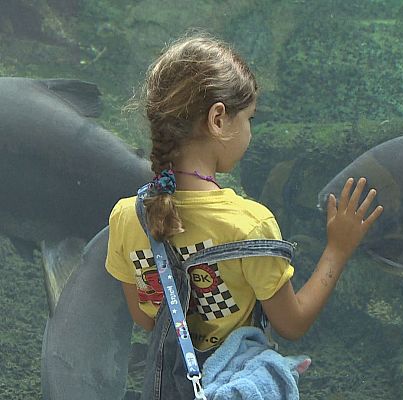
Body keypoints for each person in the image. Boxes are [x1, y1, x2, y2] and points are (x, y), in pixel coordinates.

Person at [105, 33, 383, 399]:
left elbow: (145, 317)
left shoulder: (127, 216)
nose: (250, 130)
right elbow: (292, 323)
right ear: (218, 119)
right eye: (249, 118)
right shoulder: (250, 225)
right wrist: (338, 249)